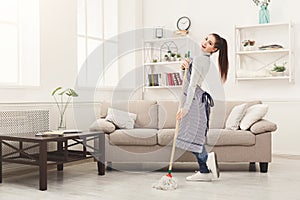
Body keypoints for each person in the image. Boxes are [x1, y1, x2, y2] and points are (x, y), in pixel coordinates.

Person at [176, 33, 229, 181]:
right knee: (192, 136)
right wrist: (184, 68)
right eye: (206, 39)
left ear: (214, 49)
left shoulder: (200, 60)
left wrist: (185, 108)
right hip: (194, 99)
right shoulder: (200, 59)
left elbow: (193, 85)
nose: (205, 43)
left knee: (191, 136)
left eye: (210, 43)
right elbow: (186, 81)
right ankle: (204, 170)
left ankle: (206, 162)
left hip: (193, 101)